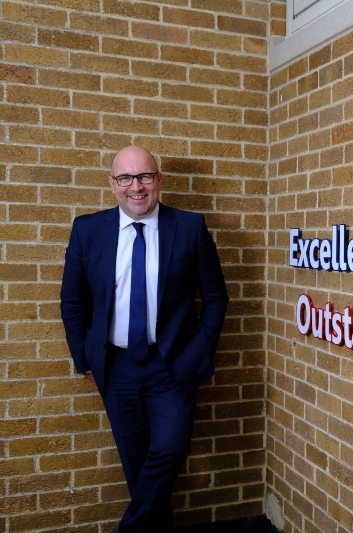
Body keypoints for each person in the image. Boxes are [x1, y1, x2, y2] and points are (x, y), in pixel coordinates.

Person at [60, 146, 228, 532]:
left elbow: (216, 297)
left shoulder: (189, 228)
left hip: (172, 365)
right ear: (112, 184)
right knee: (140, 472)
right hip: (116, 367)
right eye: (125, 178)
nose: (136, 187)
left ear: (159, 180)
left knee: (169, 449)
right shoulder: (88, 230)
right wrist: (84, 359)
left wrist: (201, 348)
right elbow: (73, 302)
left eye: (144, 177)